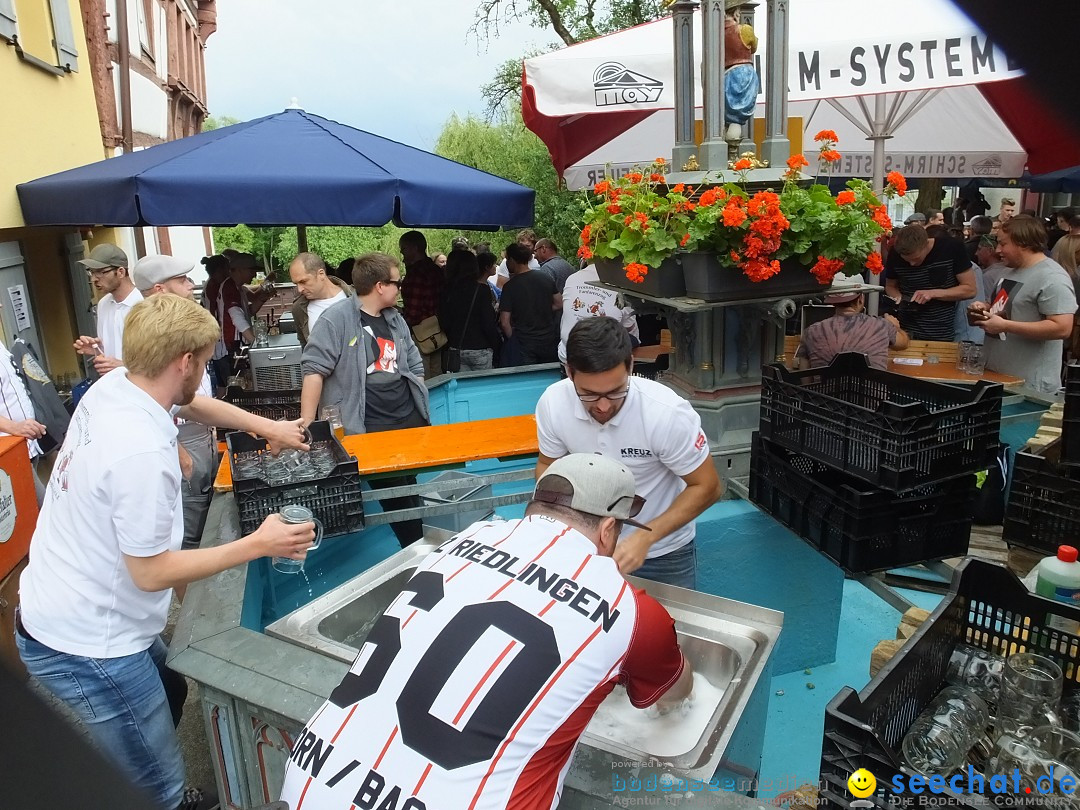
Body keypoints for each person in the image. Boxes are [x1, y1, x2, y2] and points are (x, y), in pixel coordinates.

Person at [17, 293, 315, 810]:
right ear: (186, 362)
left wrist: (266, 428)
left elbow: (187, 401)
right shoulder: (139, 455)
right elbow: (152, 574)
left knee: (171, 690)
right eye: (201, 362)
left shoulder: (116, 385)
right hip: (89, 643)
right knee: (154, 781)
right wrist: (258, 544)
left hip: (60, 599)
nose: (201, 373)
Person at [278, 453, 693, 810]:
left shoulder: (471, 535)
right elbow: (675, 694)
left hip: (310, 775)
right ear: (608, 530)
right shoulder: (634, 611)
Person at [535, 317, 723, 589]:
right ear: (569, 372)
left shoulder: (666, 413)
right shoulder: (553, 403)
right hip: (586, 548)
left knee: (669, 629)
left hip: (662, 554)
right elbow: (547, 466)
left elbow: (708, 486)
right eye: (587, 394)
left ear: (631, 367)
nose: (602, 406)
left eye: (615, 392)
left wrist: (646, 538)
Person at [300, 252, 428, 548]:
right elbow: (313, 371)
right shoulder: (337, 319)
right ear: (380, 286)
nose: (401, 288)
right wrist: (307, 424)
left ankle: (417, 549)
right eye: (398, 282)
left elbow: (414, 364)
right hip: (369, 426)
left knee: (407, 486)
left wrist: (420, 404)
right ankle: (417, 551)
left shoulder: (395, 318)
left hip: (407, 421)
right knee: (397, 497)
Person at [970, 216, 1077, 392]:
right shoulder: (1008, 270)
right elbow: (1002, 307)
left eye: (1003, 244)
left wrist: (1005, 325)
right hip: (997, 377)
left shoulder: (1052, 277)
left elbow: (1062, 328)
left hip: (1030, 384)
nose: (998, 250)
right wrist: (984, 308)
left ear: (1023, 243)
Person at [884, 224, 976, 340]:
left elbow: (970, 289)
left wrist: (933, 293)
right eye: (906, 261)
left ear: (926, 244)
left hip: (940, 332)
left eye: (916, 259)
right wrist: (898, 298)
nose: (912, 264)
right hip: (904, 331)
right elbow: (890, 286)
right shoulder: (895, 254)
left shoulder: (952, 248)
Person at [73, 243, 143, 376]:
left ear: (121, 272)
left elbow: (161, 358)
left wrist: (123, 366)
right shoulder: (103, 304)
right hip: (112, 386)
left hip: (142, 388)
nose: (94, 279)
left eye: (101, 272)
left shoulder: (144, 305)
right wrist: (96, 349)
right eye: (92, 272)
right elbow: (111, 351)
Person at [794, 291, 909, 370]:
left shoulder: (811, 332)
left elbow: (805, 378)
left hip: (825, 403)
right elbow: (903, 343)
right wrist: (894, 326)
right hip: (870, 405)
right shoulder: (881, 325)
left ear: (833, 302)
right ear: (861, 299)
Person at [558, 262, 639, 364]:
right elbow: (629, 326)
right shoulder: (622, 284)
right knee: (631, 338)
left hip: (567, 354)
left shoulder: (572, 278)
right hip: (602, 360)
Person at [438, 249, 502, 371]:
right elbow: (487, 323)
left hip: (456, 347)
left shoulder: (446, 290)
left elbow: (444, 321)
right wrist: (497, 344)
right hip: (480, 347)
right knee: (482, 388)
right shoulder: (481, 289)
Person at [499, 242, 560, 365]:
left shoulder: (510, 287)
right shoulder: (546, 278)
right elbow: (559, 303)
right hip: (549, 340)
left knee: (528, 379)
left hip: (524, 343)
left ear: (512, 260)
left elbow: (505, 322)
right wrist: (543, 309)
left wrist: (514, 340)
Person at [398, 230, 445, 378]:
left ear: (414, 248)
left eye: (404, 248)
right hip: (438, 330)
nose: (401, 252)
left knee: (421, 378)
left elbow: (413, 312)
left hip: (419, 333)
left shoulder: (416, 274)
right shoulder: (436, 269)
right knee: (437, 376)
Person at [289, 251, 353, 347]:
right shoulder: (299, 308)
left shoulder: (356, 296)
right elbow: (305, 347)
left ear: (321, 274)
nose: (299, 289)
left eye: (303, 281)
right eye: (296, 284)